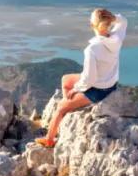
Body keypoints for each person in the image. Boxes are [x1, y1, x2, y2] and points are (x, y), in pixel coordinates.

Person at [35, 8, 128, 148]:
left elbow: (89, 79)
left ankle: (49, 139)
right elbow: (124, 21)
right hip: (110, 82)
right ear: (109, 21)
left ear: (92, 25)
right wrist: (113, 17)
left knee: (60, 108)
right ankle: (71, 104)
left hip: (98, 89)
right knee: (66, 79)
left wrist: (76, 89)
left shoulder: (92, 49)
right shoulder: (116, 38)